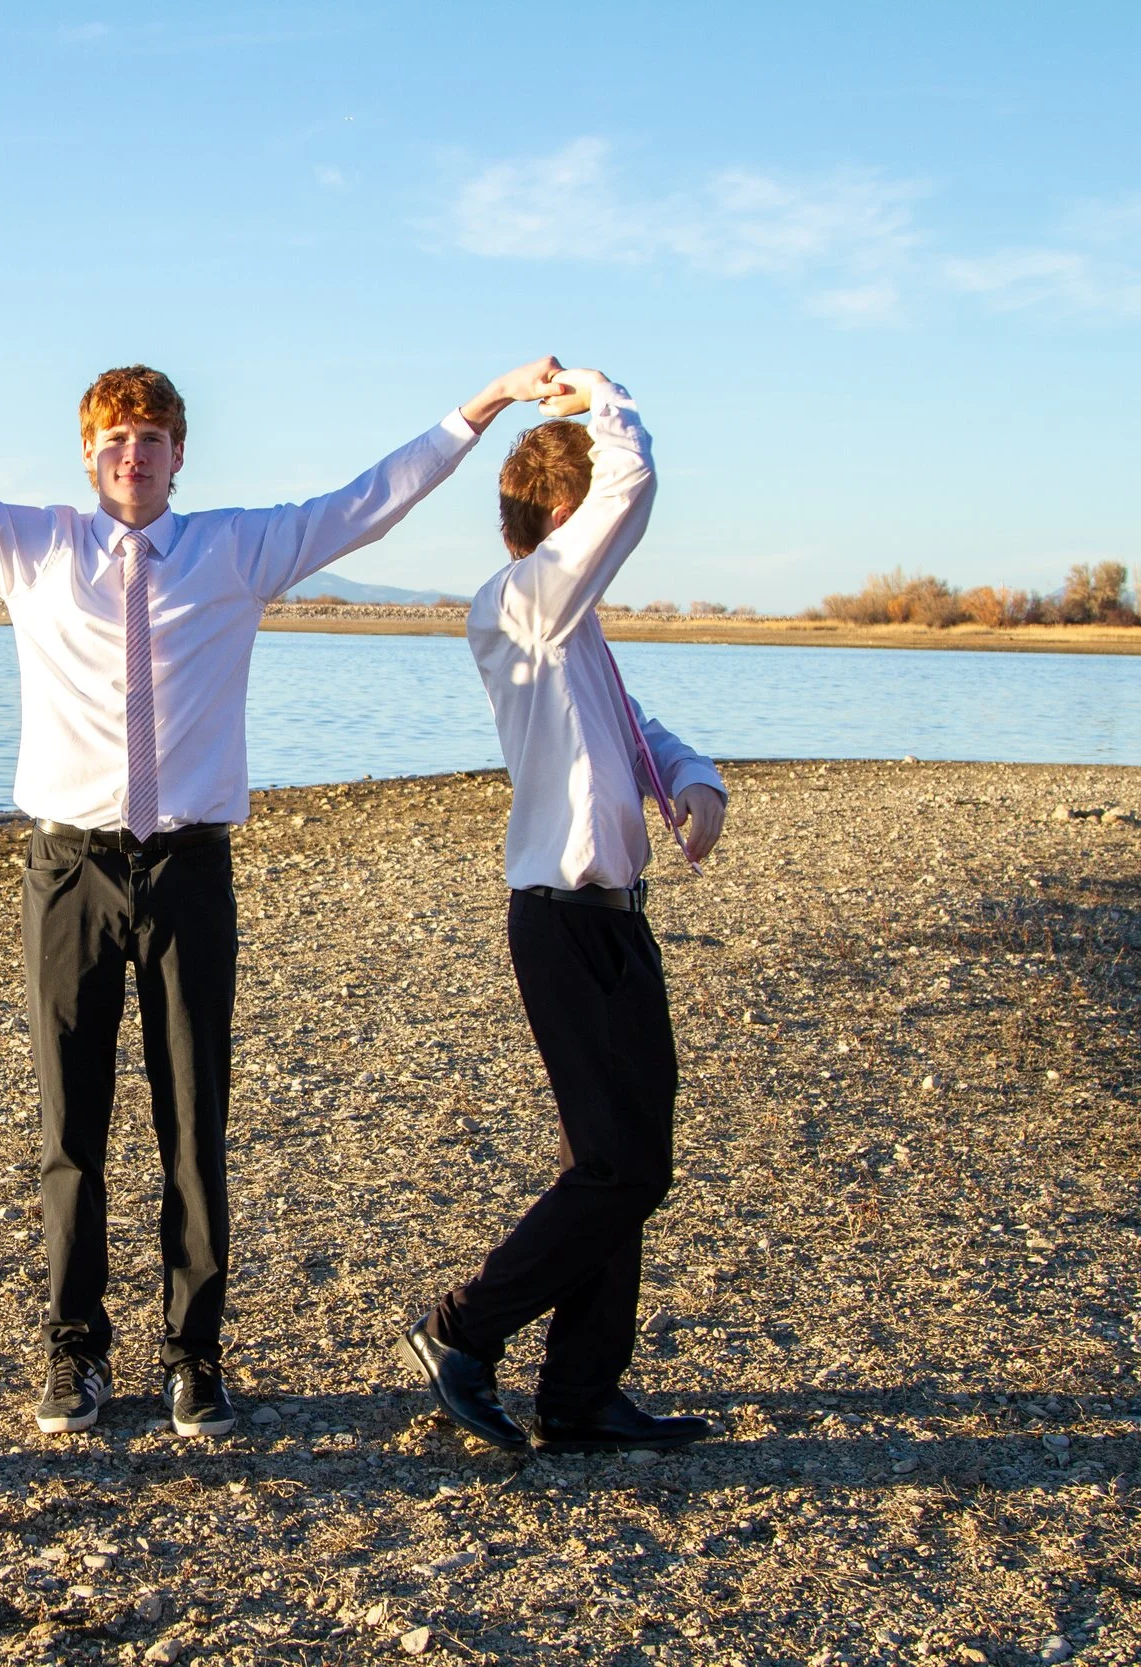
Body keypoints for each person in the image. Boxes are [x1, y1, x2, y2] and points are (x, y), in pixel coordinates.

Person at [0, 356, 569, 1438]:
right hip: (66, 868)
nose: (132, 454)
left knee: (191, 1119)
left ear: (178, 453)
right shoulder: (32, 547)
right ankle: (74, 1352)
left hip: (187, 869)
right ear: (90, 453)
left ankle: (194, 1353)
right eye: (114, 438)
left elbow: (368, 499)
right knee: (69, 1124)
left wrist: (483, 404)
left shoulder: (235, 550)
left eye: (151, 437)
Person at [400, 367, 730, 1455]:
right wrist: (609, 400)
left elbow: (642, 731)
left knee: (630, 1159)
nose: (609, 530)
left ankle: (583, 1391)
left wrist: (695, 783)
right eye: (584, 511)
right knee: (616, 1166)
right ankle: (462, 1328)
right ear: (555, 516)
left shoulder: (578, 631)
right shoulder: (520, 605)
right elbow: (628, 492)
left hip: (615, 920)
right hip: (558, 917)